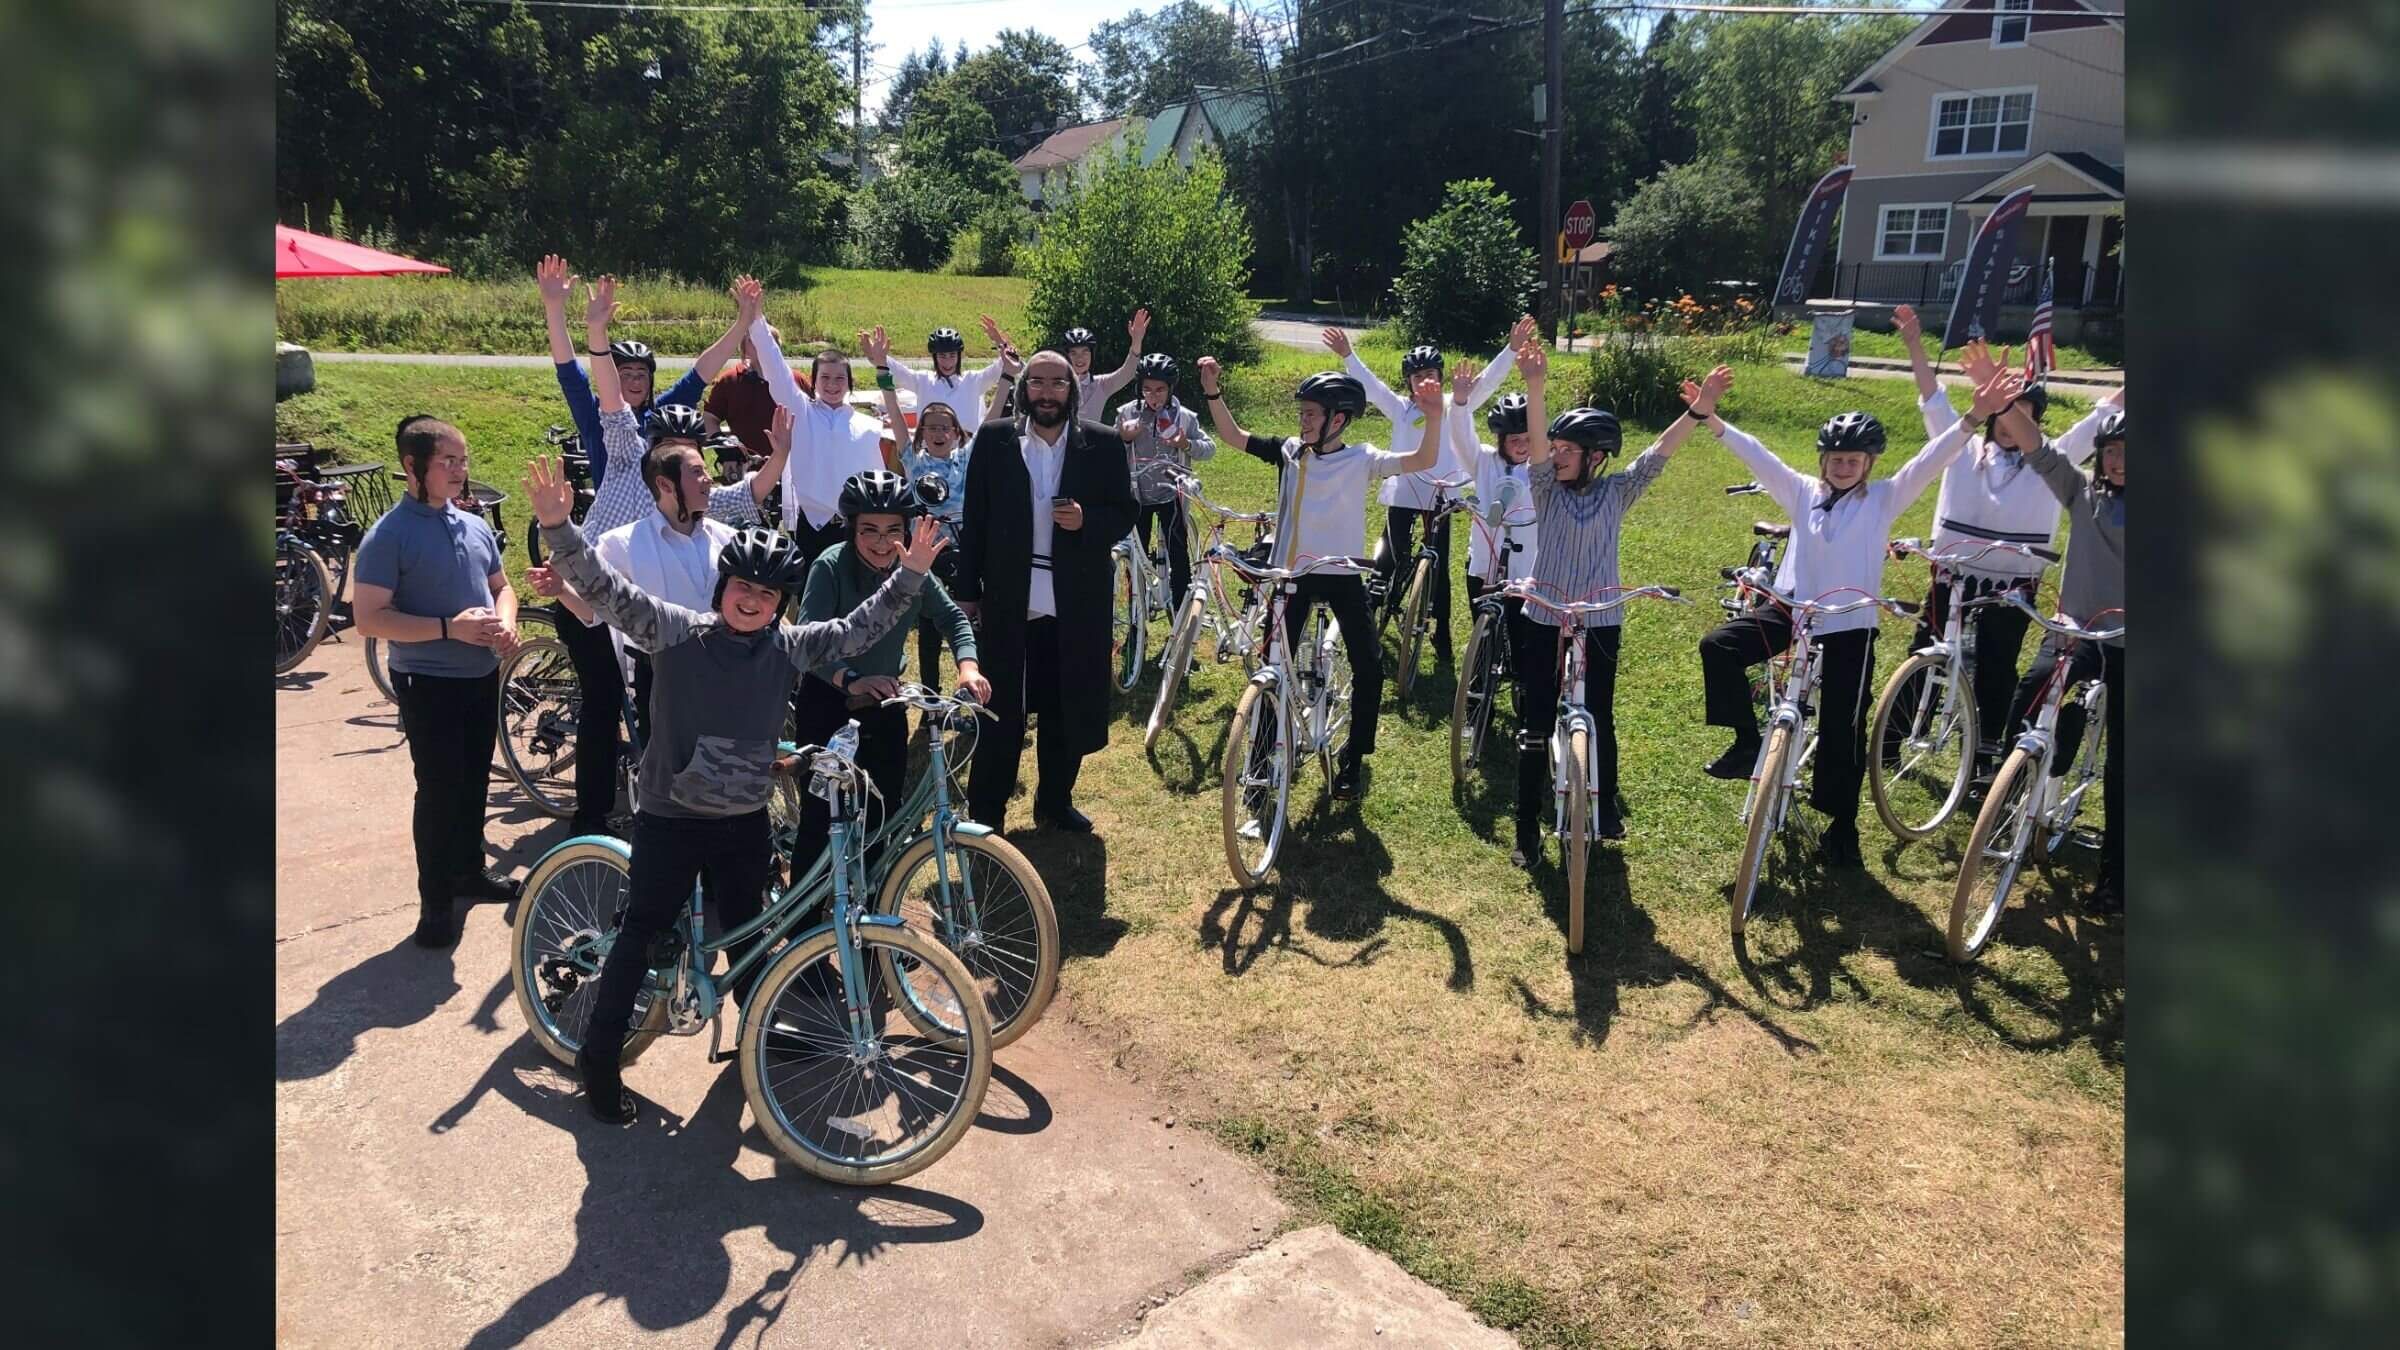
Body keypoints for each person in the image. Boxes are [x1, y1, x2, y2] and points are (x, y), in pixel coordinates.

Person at [523, 453, 947, 1125]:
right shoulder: (675, 631)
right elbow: (605, 591)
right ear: (722, 588)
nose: (752, 599)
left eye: (768, 594)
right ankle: (598, 1062)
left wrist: (913, 571)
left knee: (749, 936)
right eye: (741, 587)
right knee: (641, 935)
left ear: (781, 603)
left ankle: (757, 1034)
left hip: (744, 819)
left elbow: (859, 627)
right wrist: (558, 528)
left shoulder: (787, 647)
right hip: (671, 815)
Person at [1695, 365, 2023, 866]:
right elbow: (1760, 458)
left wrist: (1974, 416)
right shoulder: (1802, 491)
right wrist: (1714, 420)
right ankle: (1746, 742)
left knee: (1844, 726)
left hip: (1850, 624)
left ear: (1869, 464)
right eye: (1835, 458)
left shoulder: (1886, 497)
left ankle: (1842, 823)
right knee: (1718, 646)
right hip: (1790, 610)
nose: (1843, 466)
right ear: (1822, 461)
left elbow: (1930, 461)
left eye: (1854, 459)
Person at [1508, 351, 1730, 864]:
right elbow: (1537, 446)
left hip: (1601, 619)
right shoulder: (1545, 489)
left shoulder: (1617, 492)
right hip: (1543, 614)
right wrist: (1535, 385)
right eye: (1556, 447)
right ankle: (1526, 826)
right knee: (1537, 721)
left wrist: (1698, 412)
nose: (1557, 455)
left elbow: (1658, 454)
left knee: (1600, 715)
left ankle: (1604, 807)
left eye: (1569, 450)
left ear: (1597, 457)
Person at [1192, 355, 1448, 799]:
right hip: (1293, 576)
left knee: (1369, 667)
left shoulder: (1363, 459)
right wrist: (1213, 391)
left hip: (1344, 576)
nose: (1303, 421)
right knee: (1274, 669)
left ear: (1339, 419)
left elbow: (1424, 457)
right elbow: (1233, 437)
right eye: (1302, 414)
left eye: (1310, 414)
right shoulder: (1290, 452)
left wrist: (1436, 416)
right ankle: (1258, 765)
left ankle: (1353, 759)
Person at [1892, 312, 2113, 775]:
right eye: (2004, 414)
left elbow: (2102, 418)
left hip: (2013, 585)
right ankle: (1892, 741)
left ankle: (1986, 759)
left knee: (1996, 669)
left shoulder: (2050, 459)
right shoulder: (1962, 448)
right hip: (1952, 573)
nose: (2011, 425)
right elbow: (1933, 399)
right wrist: (1915, 342)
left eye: (2024, 415)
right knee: (1924, 652)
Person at [351, 416, 525, 947]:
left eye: (463, 459)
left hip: (480, 676)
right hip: (427, 682)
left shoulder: (472, 524)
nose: (459, 470)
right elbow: (369, 618)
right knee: (438, 791)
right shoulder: (389, 535)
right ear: (412, 465)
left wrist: (507, 623)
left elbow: (503, 586)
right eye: (447, 461)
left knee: (475, 780)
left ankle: (468, 871)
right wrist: (452, 628)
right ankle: (435, 902)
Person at [952, 349, 1139, 832]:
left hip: (1074, 603)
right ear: (1023, 388)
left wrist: (1087, 521)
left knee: (1064, 705)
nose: (1047, 393)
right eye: (1037, 383)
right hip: (1010, 601)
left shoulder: (1101, 444)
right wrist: (967, 589)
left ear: (1072, 391)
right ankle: (985, 815)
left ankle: (1054, 801)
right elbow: (975, 520)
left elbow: (1125, 511)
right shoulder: (995, 441)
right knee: (1001, 712)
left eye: (1058, 384)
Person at [529, 399, 791, 742]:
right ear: (666, 486)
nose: (709, 480)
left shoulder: (729, 540)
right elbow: (598, 611)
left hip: (727, 672)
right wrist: (561, 590)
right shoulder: (621, 543)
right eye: (697, 472)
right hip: (661, 682)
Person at [788, 470, 992, 877]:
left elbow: (952, 616)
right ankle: (804, 927)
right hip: (828, 701)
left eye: (892, 531)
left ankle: (876, 917)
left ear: (907, 529)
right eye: (870, 531)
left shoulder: (910, 568)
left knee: (883, 815)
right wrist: (850, 679)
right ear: (851, 529)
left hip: (885, 701)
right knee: (819, 818)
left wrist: (967, 665)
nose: (882, 543)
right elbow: (808, 645)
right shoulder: (830, 566)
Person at [1327, 317, 1535, 662]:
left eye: (1432, 376)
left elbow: (1487, 381)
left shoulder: (1456, 404)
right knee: (1390, 558)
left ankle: (1442, 631)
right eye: (1417, 376)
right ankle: (1371, 611)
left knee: (1439, 570)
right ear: (1409, 383)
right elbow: (1373, 386)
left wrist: (1512, 349)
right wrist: (1349, 355)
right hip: (1405, 495)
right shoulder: (1401, 409)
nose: (1426, 381)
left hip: (1444, 497)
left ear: (1440, 378)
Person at [1999, 404, 2124, 914]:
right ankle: (2010, 800)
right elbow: (2040, 452)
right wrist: (2007, 407)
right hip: (2077, 632)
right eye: (2112, 452)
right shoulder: (2084, 495)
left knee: (2127, 766)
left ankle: (2117, 878)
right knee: (2029, 697)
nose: (2120, 462)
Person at [538, 254, 745, 491]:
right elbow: (570, 374)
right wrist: (554, 309)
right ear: (610, 376)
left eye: (641, 373)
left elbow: (700, 374)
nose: (635, 380)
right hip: (617, 517)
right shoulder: (594, 415)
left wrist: (742, 323)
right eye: (625, 373)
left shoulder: (660, 413)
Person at [865, 324, 973, 685]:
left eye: (946, 428)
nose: (939, 434)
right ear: (921, 433)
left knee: (966, 624)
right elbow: (895, 412)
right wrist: (882, 369)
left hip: (962, 551)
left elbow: (990, 422)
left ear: (957, 433)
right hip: (923, 555)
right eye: (931, 428)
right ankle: (929, 697)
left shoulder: (967, 458)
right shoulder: (913, 459)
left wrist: (1006, 375)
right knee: (927, 628)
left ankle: (972, 687)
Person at [748, 315, 892, 561]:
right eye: (825, 377)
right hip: (813, 528)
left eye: (839, 378)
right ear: (813, 381)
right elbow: (776, 368)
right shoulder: (802, 413)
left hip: (854, 528)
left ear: (850, 384)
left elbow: (879, 483)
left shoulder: (869, 426)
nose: (832, 385)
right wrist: (754, 320)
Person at [1113, 352, 1215, 607]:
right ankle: (1138, 608)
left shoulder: (1185, 416)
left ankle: (1181, 609)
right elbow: (1109, 452)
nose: (1153, 396)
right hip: (1138, 495)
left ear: (1170, 389)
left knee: (1178, 553)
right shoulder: (1127, 413)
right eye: (1146, 389)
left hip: (1172, 494)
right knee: (1136, 554)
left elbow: (1209, 448)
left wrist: (1186, 443)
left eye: (1159, 390)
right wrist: (1123, 439)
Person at [882, 315, 1022, 439]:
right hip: (930, 454)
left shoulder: (973, 380)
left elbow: (1012, 364)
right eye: (942, 356)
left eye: (952, 356)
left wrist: (1001, 343)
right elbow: (894, 369)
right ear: (935, 358)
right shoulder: (923, 380)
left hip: (966, 454)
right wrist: (878, 357)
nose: (947, 362)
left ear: (959, 357)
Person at [700, 322, 785, 457]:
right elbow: (709, 418)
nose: (761, 344)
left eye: (768, 339)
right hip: (745, 466)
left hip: (790, 468)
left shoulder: (794, 381)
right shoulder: (730, 380)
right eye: (753, 340)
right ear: (744, 348)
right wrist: (724, 449)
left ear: (778, 346)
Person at [1062, 310, 1151, 428]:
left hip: (1090, 444)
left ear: (1092, 355)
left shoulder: (1101, 384)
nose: (1080, 358)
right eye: (1073, 353)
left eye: (1085, 352)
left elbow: (1128, 373)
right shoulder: (1055, 383)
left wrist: (1136, 341)